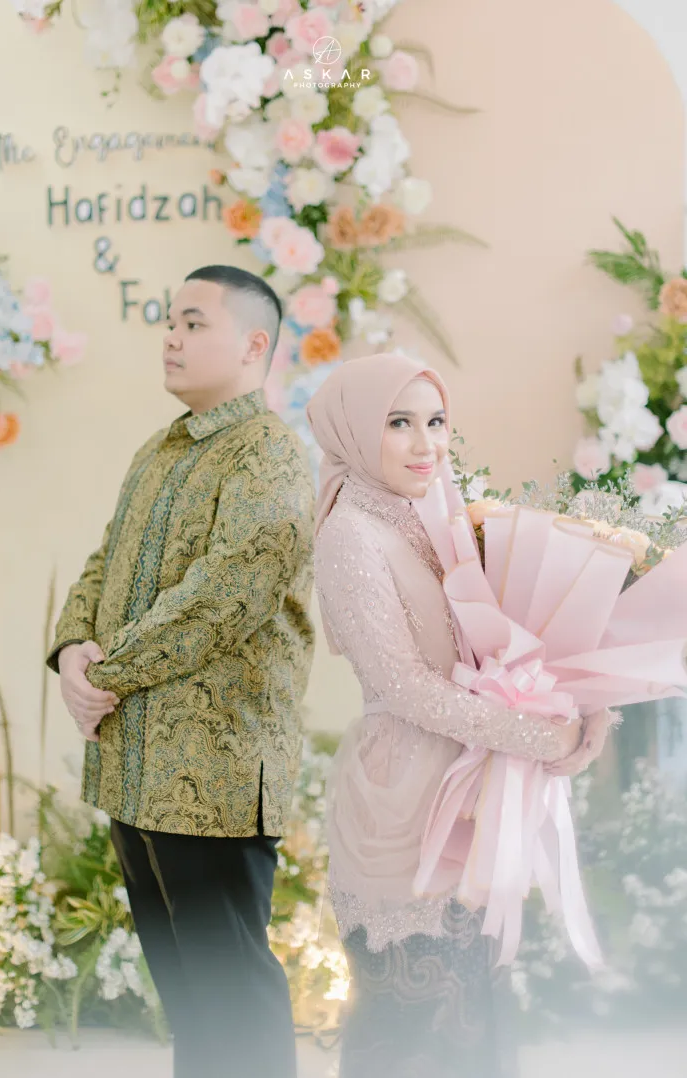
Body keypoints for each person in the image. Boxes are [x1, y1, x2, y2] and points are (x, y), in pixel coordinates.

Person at [307, 353, 612, 1078]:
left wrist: (584, 704)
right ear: (354, 430)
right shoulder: (350, 532)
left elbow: (505, 644)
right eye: (399, 423)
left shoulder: (435, 512)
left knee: (475, 1016)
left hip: (473, 788)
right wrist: (539, 737)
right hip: (403, 801)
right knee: (413, 1023)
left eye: (436, 421)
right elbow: (406, 686)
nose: (427, 444)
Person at [47, 265, 315, 1078]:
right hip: (136, 766)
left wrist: (105, 676)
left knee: (232, 991)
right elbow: (105, 562)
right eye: (170, 322)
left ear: (254, 345)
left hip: (214, 778)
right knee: (190, 999)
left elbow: (220, 598)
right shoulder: (160, 449)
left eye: (194, 323)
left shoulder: (269, 455)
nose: (171, 337)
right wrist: (72, 650)